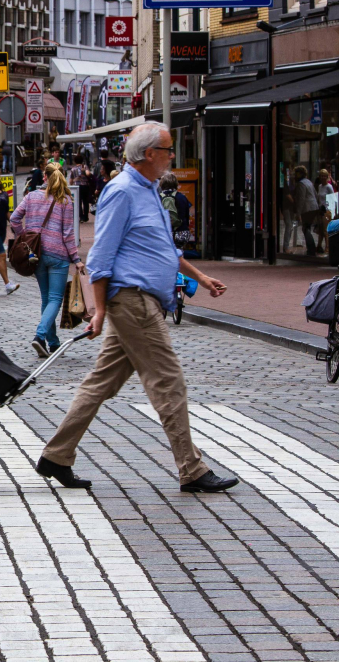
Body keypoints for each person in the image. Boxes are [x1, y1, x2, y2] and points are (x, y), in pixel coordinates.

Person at [36, 122, 239, 494]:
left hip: (142, 301)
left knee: (101, 382)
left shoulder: (149, 189)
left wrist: (201, 277)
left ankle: (56, 455)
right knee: (168, 381)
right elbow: (100, 257)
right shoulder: (122, 192)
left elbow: (164, 249)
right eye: (168, 149)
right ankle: (192, 469)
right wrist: (99, 310)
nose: (172, 155)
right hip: (133, 301)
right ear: (149, 154)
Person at [11, 162, 80, 356]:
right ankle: (40, 336)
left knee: (46, 299)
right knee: (55, 299)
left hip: (37, 254)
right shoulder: (65, 200)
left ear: (44, 177)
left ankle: (53, 343)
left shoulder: (31, 196)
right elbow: (68, 234)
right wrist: (76, 259)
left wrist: (24, 237)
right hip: (58, 255)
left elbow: (14, 219)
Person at [68, 154, 91, 223]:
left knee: (78, 202)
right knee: (85, 201)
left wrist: (74, 180)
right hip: (85, 186)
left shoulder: (73, 169)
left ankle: (81, 217)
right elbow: (88, 174)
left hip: (77, 187)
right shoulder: (85, 166)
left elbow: (70, 182)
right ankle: (86, 216)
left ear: (75, 161)